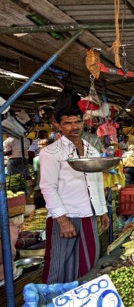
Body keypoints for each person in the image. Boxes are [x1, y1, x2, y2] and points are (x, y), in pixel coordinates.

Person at [39, 105, 109, 283]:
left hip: (89, 214)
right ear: (58, 126)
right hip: (66, 216)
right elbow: (48, 187)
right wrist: (62, 220)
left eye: (77, 122)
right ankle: (50, 306)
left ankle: (81, 301)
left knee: (88, 262)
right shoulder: (51, 152)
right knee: (58, 265)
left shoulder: (92, 150)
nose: (74, 127)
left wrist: (102, 211)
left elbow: (97, 181)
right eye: (68, 123)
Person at [32, 139, 49, 209]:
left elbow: (35, 173)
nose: (39, 146)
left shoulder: (36, 159)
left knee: (39, 211)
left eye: (42, 144)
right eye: (38, 145)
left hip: (40, 189)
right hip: (47, 188)